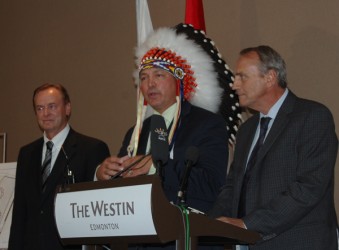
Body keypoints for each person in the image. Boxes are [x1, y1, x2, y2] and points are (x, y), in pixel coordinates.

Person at [96, 23, 242, 248]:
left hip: (187, 238)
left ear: (179, 81)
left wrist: (155, 166)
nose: (149, 83)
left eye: (158, 75)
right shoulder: (136, 132)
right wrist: (105, 174)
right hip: (140, 240)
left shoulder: (207, 124)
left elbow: (211, 185)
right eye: (143, 77)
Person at [208, 45, 338, 250]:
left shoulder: (312, 117)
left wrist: (248, 224)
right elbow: (232, 187)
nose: (234, 84)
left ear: (270, 78)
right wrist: (211, 224)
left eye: (242, 76)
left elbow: (309, 187)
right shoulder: (247, 130)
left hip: (299, 243)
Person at [9, 83, 110, 250]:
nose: (46, 113)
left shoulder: (91, 149)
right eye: (40, 108)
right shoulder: (26, 154)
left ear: (67, 108)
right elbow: (20, 213)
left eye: (52, 106)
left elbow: (99, 211)